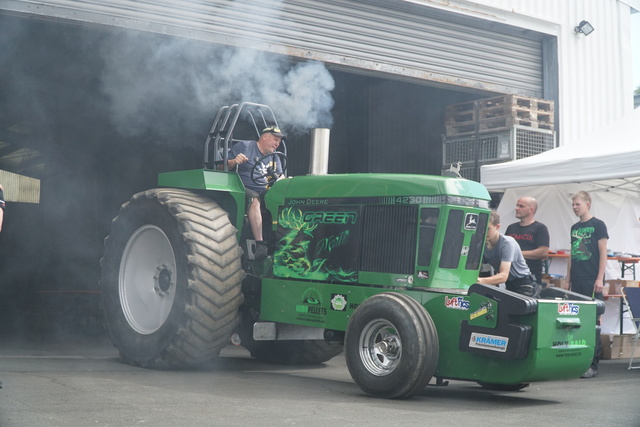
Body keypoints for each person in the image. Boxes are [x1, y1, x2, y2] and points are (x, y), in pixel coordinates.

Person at [228, 126, 286, 260]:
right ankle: (260, 244)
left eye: (279, 141)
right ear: (265, 136)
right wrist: (233, 161)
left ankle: (281, 242)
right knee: (254, 199)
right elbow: (220, 166)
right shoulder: (245, 146)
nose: (277, 144)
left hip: (263, 190)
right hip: (241, 188)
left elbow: (279, 177)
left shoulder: (274, 157)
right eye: (275, 139)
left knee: (281, 198)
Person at [567, 190, 608, 379]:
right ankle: (578, 362)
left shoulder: (598, 225)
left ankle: (593, 364)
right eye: (573, 205)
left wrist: (600, 278)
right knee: (577, 322)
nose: (575, 208)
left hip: (592, 279)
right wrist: (568, 279)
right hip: (576, 280)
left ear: (587, 204)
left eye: (578, 204)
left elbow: (603, 252)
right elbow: (571, 254)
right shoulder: (574, 227)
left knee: (593, 322)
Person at [478, 210, 538, 296]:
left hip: (524, 285)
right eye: (481, 229)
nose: (483, 232)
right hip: (509, 285)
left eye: (488, 229)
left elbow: (503, 276)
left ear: (497, 227)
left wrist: (480, 281)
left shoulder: (507, 243)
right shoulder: (482, 245)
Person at [505, 196, 550, 284]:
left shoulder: (540, 228)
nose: (517, 208)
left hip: (530, 279)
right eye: (517, 205)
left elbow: (543, 252)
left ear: (531, 209)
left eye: (521, 206)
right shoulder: (511, 228)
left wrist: (517, 254)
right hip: (510, 278)